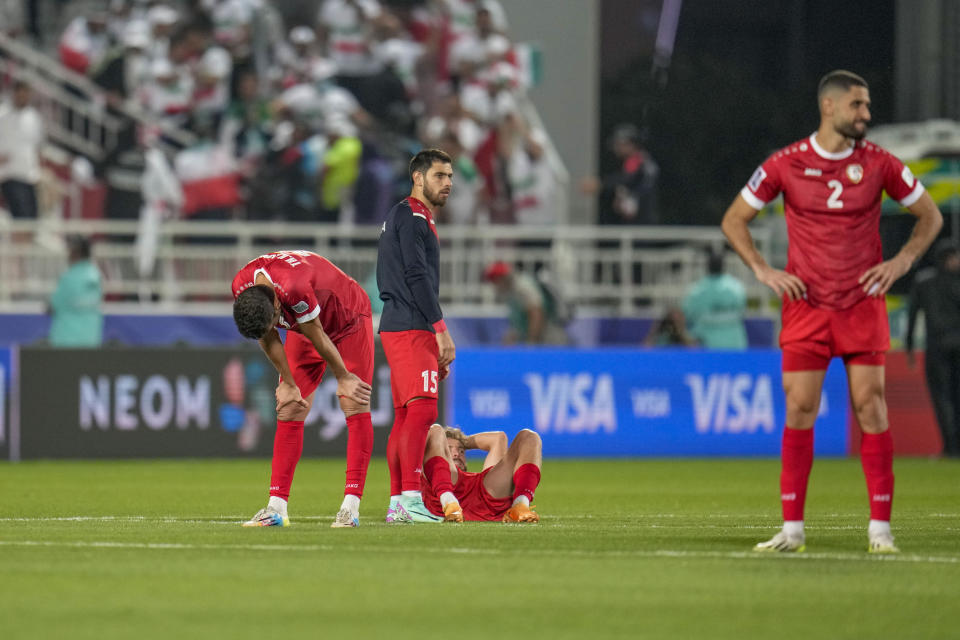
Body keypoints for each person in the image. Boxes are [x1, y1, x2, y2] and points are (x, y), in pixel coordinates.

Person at [721, 70, 944, 554]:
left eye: (867, 106)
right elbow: (734, 219)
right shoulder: (785, 164)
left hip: (861, 303)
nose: (866, 114)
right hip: (806, 307)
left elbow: (930, 214)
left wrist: (902, 260)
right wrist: (762, 270)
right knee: (800, 409)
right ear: (830, 107)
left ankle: (880, 531)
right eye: (858, 106)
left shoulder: (882, 164)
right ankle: (792, 530)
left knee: (871, 407)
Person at [231, 250, 374, 528]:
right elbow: (267, 335)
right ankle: (276, 508)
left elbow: (318, 333)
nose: (274, 327)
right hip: (306, 326)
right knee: (290, 406)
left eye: (274, 320)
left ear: (275, 303)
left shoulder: (292, 287)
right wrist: (287, 381)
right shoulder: (242, 287)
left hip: (346, 318)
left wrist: (343, 376)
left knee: (352, 400)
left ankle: (350, 507)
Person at [376, 148, 456, 523]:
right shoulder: (411, 215)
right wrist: (440, 329)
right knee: (422, 411)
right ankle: (410, 498)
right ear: (418, 178)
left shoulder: (409, 216)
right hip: (411, 324)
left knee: (407, 414)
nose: (448, 184)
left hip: (401, 323)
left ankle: (398, 503)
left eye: (451, 177)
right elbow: (416, 275)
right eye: (440, 176)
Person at [419, 424, 542, 523]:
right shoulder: (430, 470)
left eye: (461, 450)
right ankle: (449, 502)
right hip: (445, 493)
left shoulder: (482, 481)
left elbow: (498, 438)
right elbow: (433, 436)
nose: (457, 454)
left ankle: (521, 505)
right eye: (449, 449)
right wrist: (442, 443)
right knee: (436, 429)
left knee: (530, 437)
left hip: (488, 498)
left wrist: (461, 440)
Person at [906, 240, 960, 457]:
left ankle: (950, 447)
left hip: (936, 348)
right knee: (954, 397)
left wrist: (909, 348)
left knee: (942, 399)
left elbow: (912, 315)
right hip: (952, 346)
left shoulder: (923, 282)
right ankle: (953, 448)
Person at [482, 261, 569, 345]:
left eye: (496, 279)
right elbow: (520, 320)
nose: (494, 284)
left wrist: (531, 343)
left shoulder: (523, 286)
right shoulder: (510, 292)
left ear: (504, 277)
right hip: (539, 337)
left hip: (548, 337)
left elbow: (536, 313)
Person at [682, 247, 748, 349]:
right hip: (732, 343)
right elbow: (741, 309)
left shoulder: (698, 290)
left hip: (711, 344)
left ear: (707, 266)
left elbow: (688, 312)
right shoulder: (736, 287)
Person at [48, 236, 103, 347]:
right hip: (91, 339)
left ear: (77, 253)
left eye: (71, 251)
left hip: (66, 341)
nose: (68, 255)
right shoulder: (97, 275)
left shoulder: (69, 277)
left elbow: (53, 306)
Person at [0, 81, 44, 220]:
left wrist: (38, 170)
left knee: (32, 216)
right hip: (10, 173)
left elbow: (37, 145)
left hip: (29, 174)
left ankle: (25, 242)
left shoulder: (34, 117)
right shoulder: (2, 115)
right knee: (20, 216)